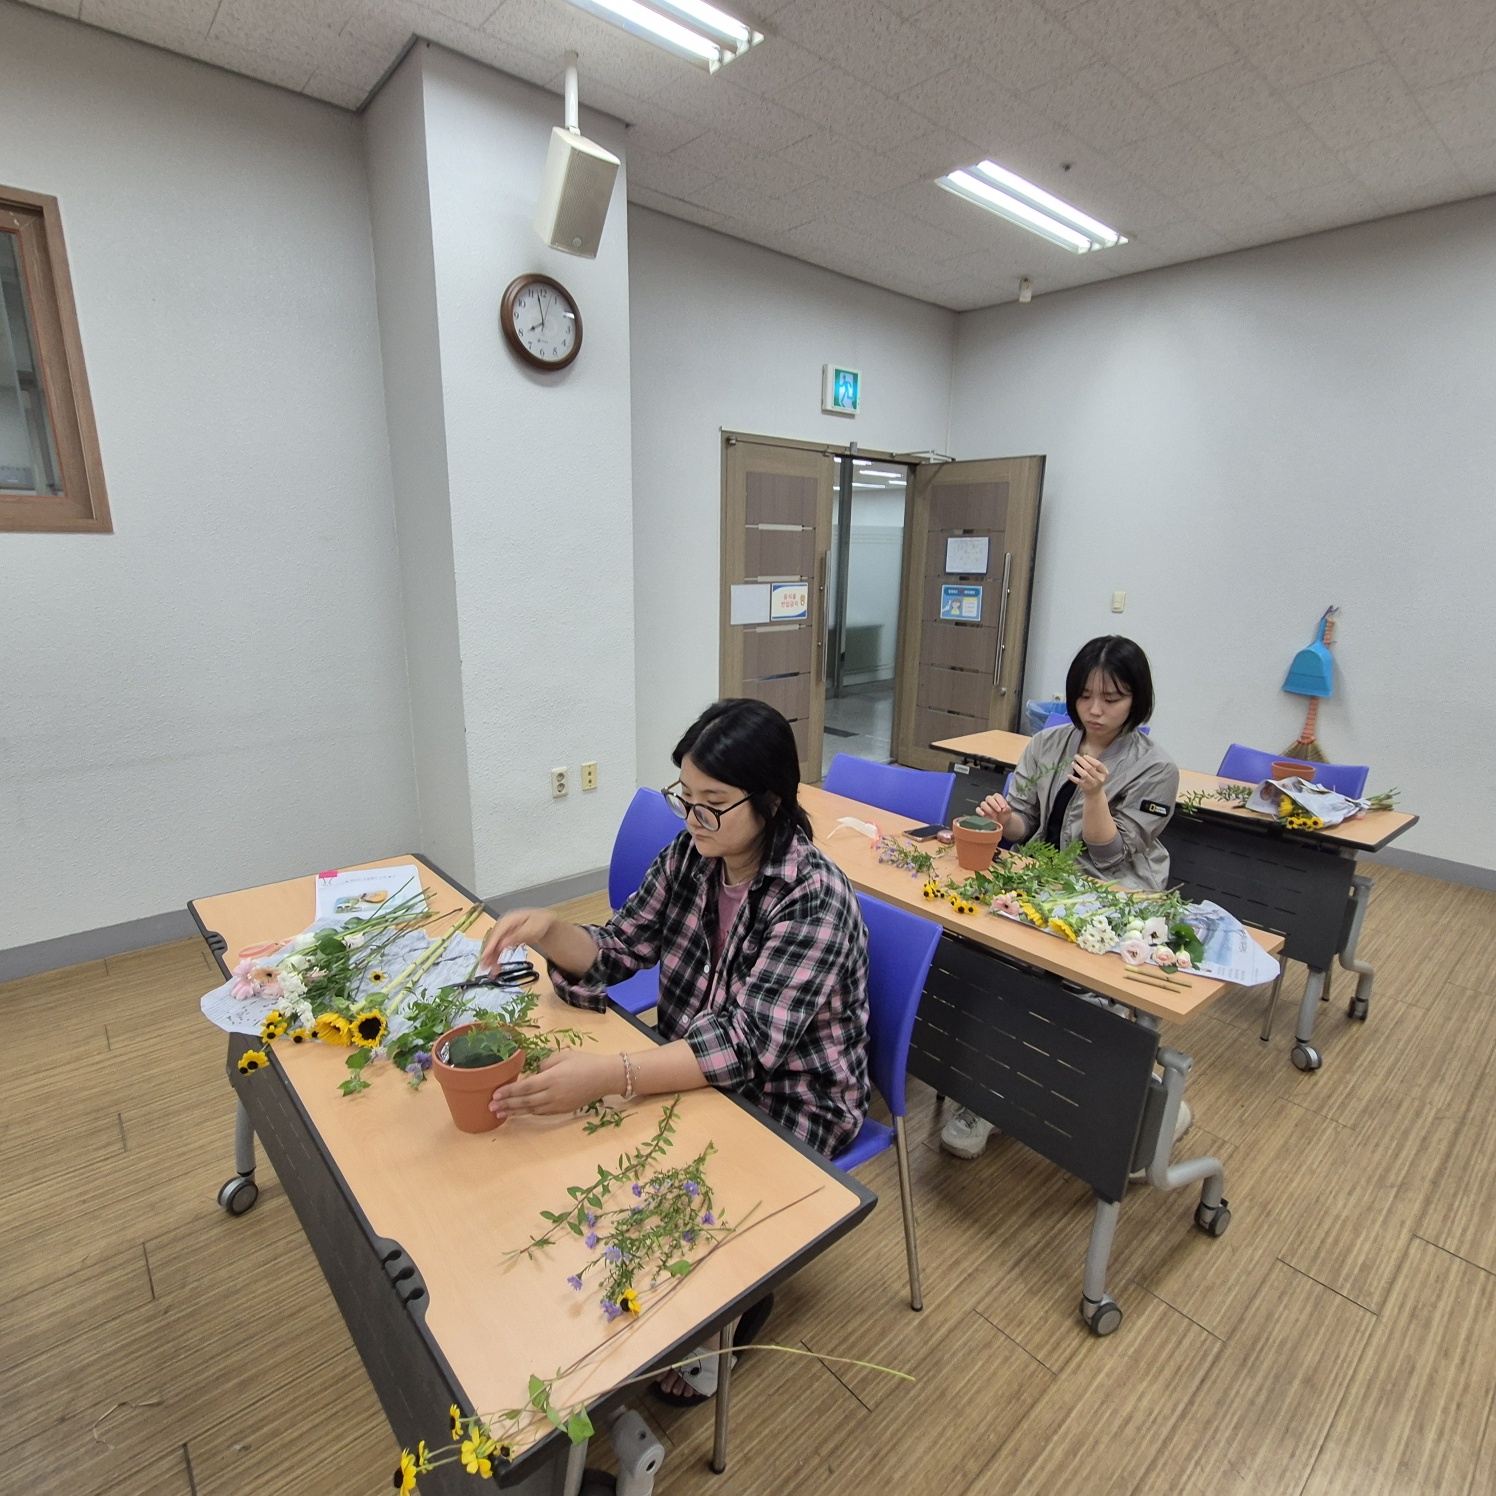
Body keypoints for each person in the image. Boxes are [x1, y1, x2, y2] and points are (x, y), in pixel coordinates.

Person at [478, 697, 871, 1401]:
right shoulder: (692, 856)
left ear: (770, 801)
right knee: (593, 1152)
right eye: (685, 797)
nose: (692, 817)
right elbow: (618, 947)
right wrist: (550, 931)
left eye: (713, 804)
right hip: (703, 1058)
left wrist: (614, 1074)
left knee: (650, 1160)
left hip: (792, 1096)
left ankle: (739, 1298)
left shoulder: (813, 898)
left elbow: (745, 1045)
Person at [941, 635, 1182, 1161]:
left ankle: (1143, 1102)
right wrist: (1006, 820)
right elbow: (1025, 828)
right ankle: (987, 1092)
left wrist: (1096, 795)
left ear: (1137, 700)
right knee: (982, 964)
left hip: (1111, 897)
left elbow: (1109, 856)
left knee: (1069, 999)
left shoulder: (1156, 769)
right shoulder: (1048, 744)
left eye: (1112, 698)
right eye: (1085, 696)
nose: (1095, 710)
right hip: (1043, 885)